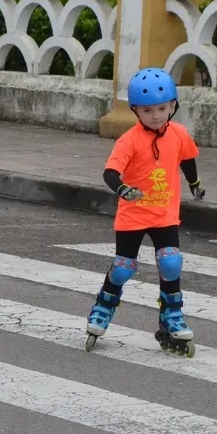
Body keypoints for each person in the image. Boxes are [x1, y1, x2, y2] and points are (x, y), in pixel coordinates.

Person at [84, 67, 205, 358]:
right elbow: (110, 173)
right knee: (124, 267)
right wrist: (123, 189)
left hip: (164, 213)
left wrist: (195, 184)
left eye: (162, 109)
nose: (156, 116)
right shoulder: (129, 140)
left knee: (171, 263)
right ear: (136, 111)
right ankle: (103, 307)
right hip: (133, 216)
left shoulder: (179, 134)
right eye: (148, 110)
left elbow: (187, 159)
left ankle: (171, 318)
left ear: (173, 106)